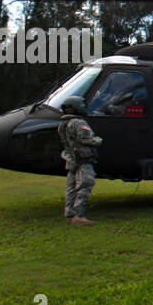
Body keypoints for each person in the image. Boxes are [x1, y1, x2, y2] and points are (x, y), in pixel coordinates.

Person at [56, 96, 103, 225]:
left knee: (70, 187)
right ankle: (79, 215)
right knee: (85, 185)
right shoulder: (78, 123)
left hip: (71, 159)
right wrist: (98, 140)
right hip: (83, 159)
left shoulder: (62, 124)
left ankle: (69, 213)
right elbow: (86, 139)